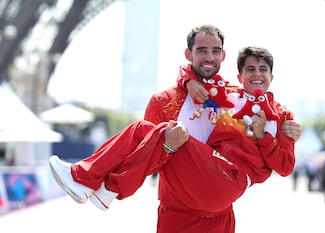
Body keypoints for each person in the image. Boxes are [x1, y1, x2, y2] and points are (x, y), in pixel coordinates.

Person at [49, 25, 301, 233]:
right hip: (178, 210)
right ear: (188, 54)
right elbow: (145, 157)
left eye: (215, 51)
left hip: (221, 204)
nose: (209, 57)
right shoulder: (165, 101)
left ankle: (98, 185)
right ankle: (100, 186)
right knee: (151, 131)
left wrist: (270, 135)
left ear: (223, 56)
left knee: (152, 131)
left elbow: (283, 162)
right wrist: (170, 143)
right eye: (201, 50)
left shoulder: (237, 98)